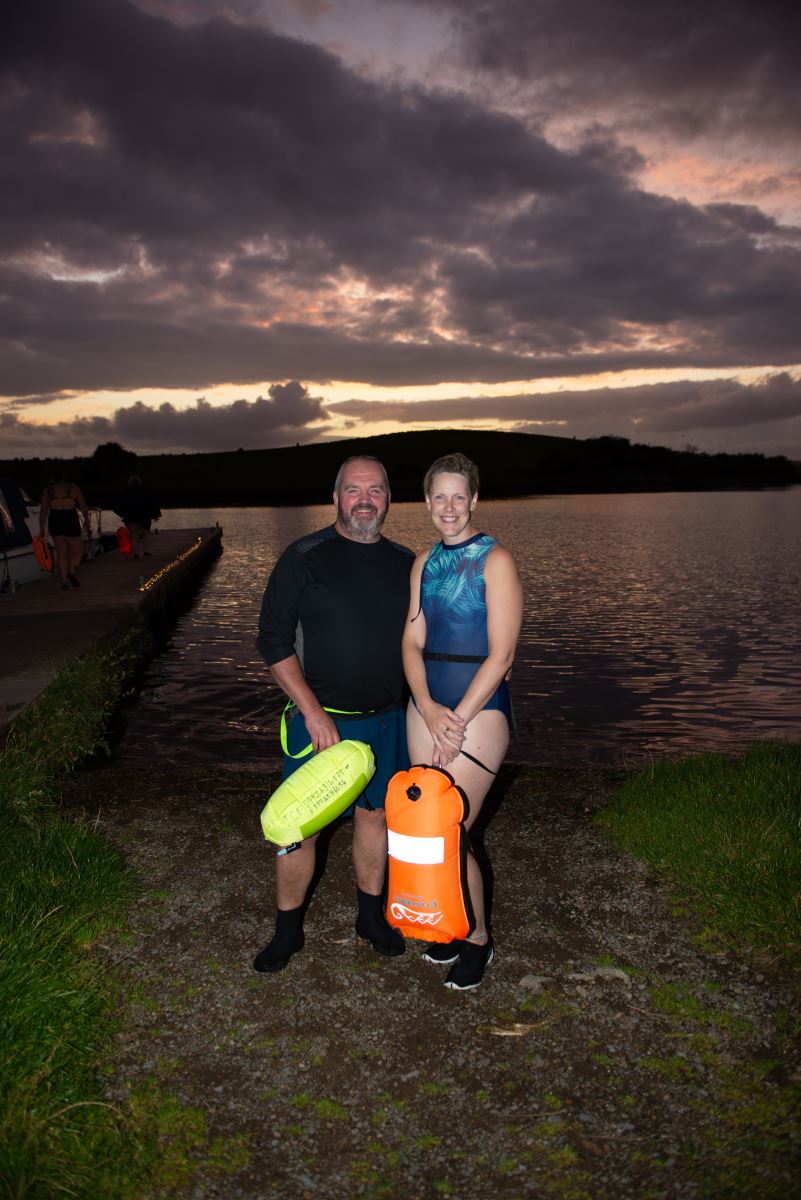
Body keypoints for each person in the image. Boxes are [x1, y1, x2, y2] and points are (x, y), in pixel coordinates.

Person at [254, 455, 415, 973]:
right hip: (320, 722)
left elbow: (424, 640)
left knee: (376, 817)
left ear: (388, 499)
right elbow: (273, 642)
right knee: (300, 828)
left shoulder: (406, 563)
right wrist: (313, 712)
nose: (364, 499)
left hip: (389, 719)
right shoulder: (304, 557)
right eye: (353, 489)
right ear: (336, 498)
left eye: (375, 489)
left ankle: (369, 918)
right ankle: (287, 932)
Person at [402, 453, 523, 990]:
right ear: (428, 503)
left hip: (481, 705)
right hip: (426, 703)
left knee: (452, 832)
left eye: (459, 497)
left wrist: (457, 721)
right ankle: (450, 925)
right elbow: (411, 640)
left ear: (473, 500)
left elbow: (502, 655)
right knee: (424, 826)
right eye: (439, 497)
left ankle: (478, 939)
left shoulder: (496, 560)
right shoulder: (423, 563)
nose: (449, 507)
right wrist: (428, 708)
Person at [39, 469, 90, 589]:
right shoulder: (73, 487)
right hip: (70, 518)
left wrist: (42, 528)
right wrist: (87, 522)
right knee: (77, 551)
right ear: (63, 478)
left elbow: (43, 512)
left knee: (61, 553)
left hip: (55, 520)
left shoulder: (47, 491)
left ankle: (64, 581)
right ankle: (72, 571)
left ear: (52, 479)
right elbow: (83, 506)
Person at [115, 475, 161, 559]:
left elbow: (117, 505)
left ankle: (135, 553)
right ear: (139, 483)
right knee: (146, 533)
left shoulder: (125, 493)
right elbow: (152, 504)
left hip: (131, 518)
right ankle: (146, 551)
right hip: (145, 518)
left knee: (134, 535)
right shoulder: (145, 492)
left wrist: (122, 513)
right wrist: (156, 514)